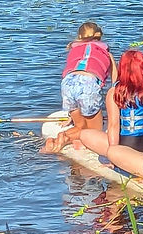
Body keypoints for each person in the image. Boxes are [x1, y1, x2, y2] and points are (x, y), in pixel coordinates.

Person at [42, 21, 117, 153]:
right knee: (95, 132)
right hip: (88, 84)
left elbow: (74, 74)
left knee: (80, 125)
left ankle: (61, 137)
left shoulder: (74, 49)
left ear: (79, 37)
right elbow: (115, 82)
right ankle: (69, 140)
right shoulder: (106, 52)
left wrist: (71, 115)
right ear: (99, 37)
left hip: (67, 83)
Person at [79, 49, 143, 172]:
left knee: (85, 134)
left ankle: (117, 160)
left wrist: (114, 157)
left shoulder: (115, 91)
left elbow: (114, 125)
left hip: (126, 145)